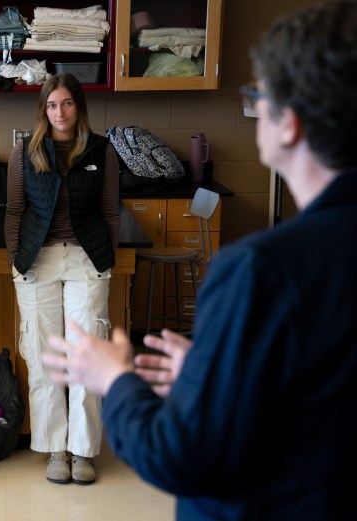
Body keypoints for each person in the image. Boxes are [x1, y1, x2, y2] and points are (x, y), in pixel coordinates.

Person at [41, 0, 357, 518]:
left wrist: (116, 379)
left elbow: (182, 456)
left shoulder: (259, 272)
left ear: (290, 124)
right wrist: (219, 373)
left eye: (257, 96)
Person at [4, 73, 120, 485]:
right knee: (44, 357)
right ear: (43, 110)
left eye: (67, 103)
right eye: (52, 105)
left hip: (87, 260)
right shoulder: (25, 151)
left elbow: (110, 212)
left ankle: (83, 450)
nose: (60, 112)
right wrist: (15, 260)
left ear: (78, 107)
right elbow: (14, 210)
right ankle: (56, 447)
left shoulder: (103, 151)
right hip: (38, 262)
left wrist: (107, 259)